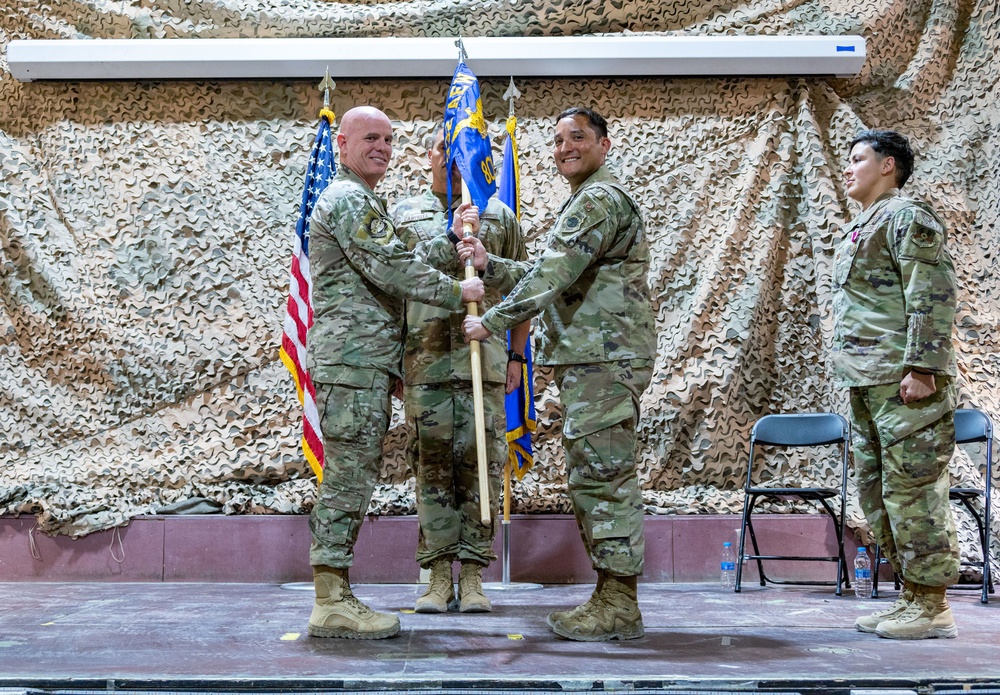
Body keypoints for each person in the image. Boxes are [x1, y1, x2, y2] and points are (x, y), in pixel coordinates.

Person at [461, 107, 656, 641]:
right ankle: (612, 595)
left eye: (578, 137)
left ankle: (619, 602)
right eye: (557, 140)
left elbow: (552, 272)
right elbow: (555, 269)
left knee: (604, 477)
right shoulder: (587, 198)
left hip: (604, 359)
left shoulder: (597, 199)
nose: (565, 147)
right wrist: (490, 264)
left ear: (604, 144)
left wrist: (493, 322)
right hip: (594, 359)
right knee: (593, 474)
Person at [305, 106, 485, 640]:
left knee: (355, 475)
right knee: (347, 479)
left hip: (364, 363)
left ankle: (335, 592)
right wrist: (459, 291)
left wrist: (450, 243)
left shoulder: (364, 201)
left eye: (388, 139)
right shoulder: (345, 199)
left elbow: (399, 254)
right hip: (351, 362)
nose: (382, 147)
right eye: (370, 138)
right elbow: (393, 268)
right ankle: (330, 599)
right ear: (341, 143)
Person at [391, 128, 530, 614]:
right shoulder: (403, 213)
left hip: (485, 363)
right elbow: (393, 283)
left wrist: (515, 356)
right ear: (427, 156)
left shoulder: (497, 215)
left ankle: (472, 574)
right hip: (425, 361)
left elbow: (521, 288)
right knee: (429, 468)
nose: (452, 160)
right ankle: (434, 573)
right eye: (443, 150)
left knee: (479, 469)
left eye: (463, 152)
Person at [832, 129, 960, 640]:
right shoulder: (864, 224)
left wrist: (923, 368)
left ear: (888, 166)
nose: (848, 168)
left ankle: (933, 606)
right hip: (869, 382)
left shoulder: (907, 216)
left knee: (914, 491)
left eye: (858, 159)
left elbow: (931, 292)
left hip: (904, 381)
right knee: (878, 491)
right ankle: (912, 596)